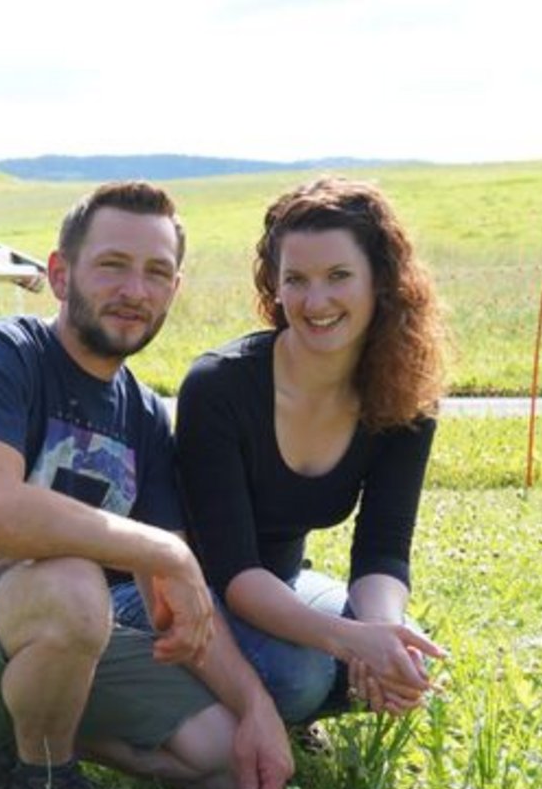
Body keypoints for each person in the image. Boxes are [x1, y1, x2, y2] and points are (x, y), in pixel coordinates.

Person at [0, 181, 294, 789]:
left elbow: (168, 595)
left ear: (174, 289)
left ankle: (21, 746)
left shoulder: (145, 417)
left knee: (223, 762)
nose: (135, 289)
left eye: (156, 272)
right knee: (71, 580)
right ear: (60, 275)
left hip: (52, 640)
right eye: (112, 265)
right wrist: (164, 548)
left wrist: (256, 709)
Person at [174, 177, 449, 726]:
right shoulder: (218, 387)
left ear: (382, 282)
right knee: (303, 678)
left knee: (396, 659)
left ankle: (268, 710)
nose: (315, 301)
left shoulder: (405, 394)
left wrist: (383, 632)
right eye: (295, 280)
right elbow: (233, 572)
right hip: (191, 595)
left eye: (339, 276)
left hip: (283, 586)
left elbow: (383, 550)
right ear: (274, 286)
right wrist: (352, 641)